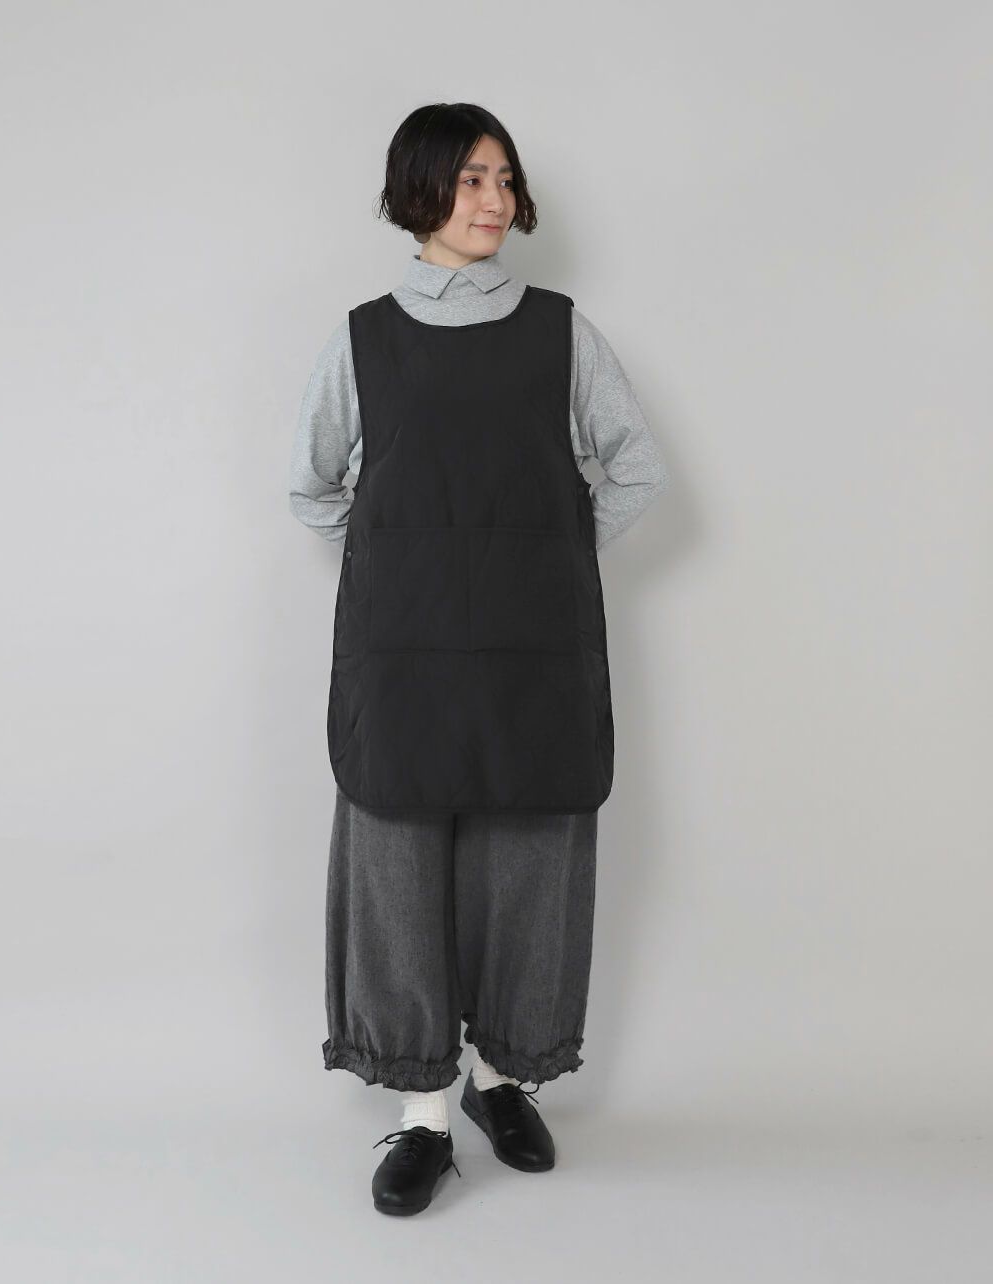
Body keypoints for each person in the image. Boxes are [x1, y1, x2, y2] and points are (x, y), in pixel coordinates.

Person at [289, 102, 670, 1216]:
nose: (493, 199)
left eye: (503, 178)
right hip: (401, 659)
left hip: (532, 655)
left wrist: (543, 558)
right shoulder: (362, 339)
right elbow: (312, 486)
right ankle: (421, 1113)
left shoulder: (561, 333)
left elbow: (636, 469)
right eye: (468, 179)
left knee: (529, 864)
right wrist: (398, 567)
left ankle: (502, 1079)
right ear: (418, 191)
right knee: (398, 868)